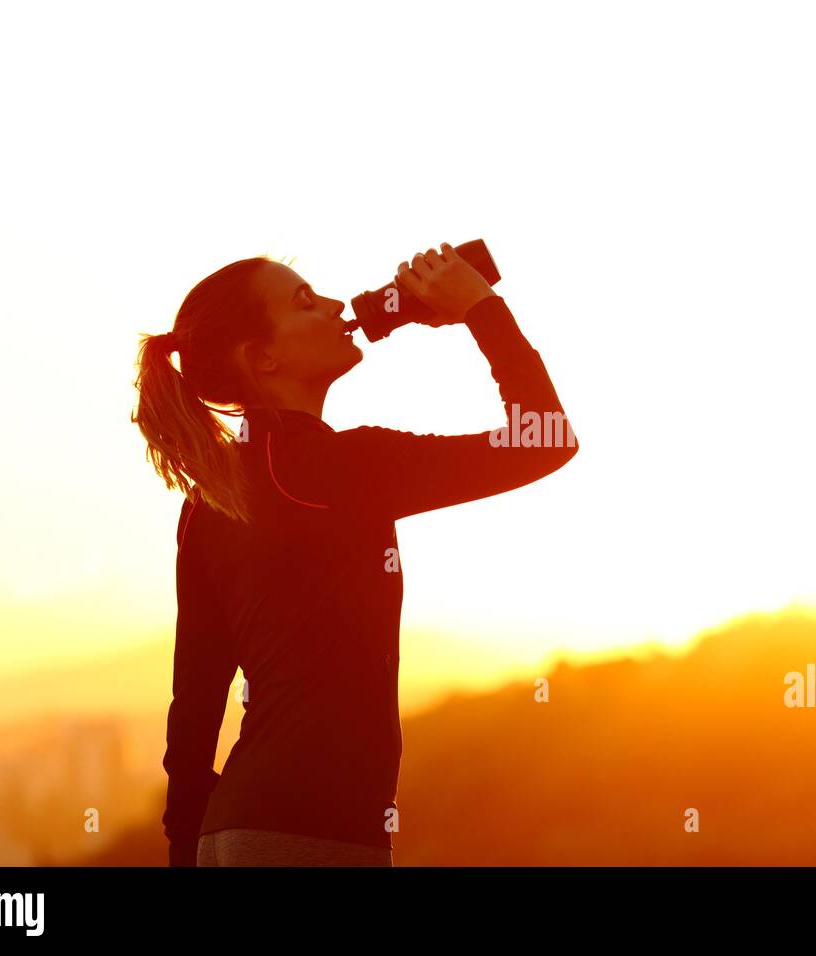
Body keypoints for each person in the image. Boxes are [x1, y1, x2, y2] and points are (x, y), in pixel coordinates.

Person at [131, 242, 578, 866]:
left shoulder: (213, 499)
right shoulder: (343, 467)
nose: (338, 306)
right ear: (263, 358)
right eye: (305, 303)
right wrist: (480, 308)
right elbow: (544, 440)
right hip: (313, 835)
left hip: (231, 834)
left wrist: (186, 851)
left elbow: (197, 698)